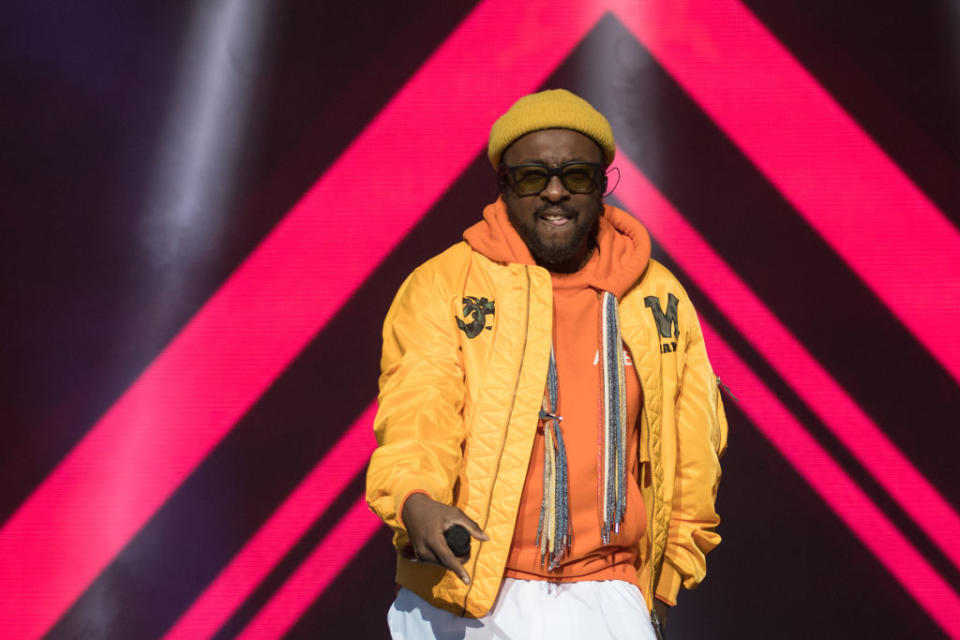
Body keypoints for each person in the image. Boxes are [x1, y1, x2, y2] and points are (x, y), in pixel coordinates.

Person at [366, 89, 728, 639]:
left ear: (603, 184)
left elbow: (693, 449)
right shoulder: (444, 285)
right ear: (505, 186)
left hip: (608, 591)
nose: (554, 192)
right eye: (533, 177)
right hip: (464, 590)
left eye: (575, 175)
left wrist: (670, 571)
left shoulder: (658, 296)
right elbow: (419, 411)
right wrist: (416, 500)